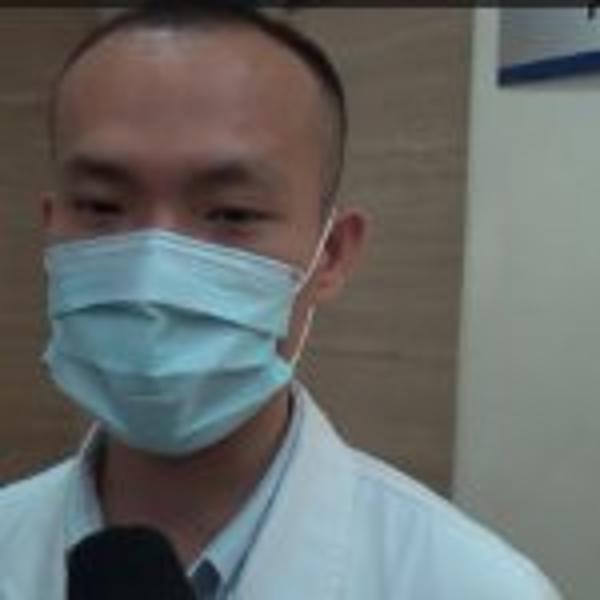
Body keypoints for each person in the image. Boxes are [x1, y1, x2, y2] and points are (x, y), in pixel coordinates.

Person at [0, 5, 561, 599]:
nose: (151, 268)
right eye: (100, 206)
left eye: (232, 213)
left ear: (332, 254)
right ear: (51, 227)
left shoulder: (476, 586)